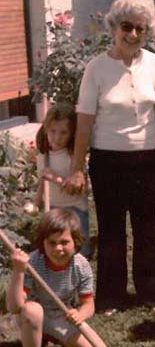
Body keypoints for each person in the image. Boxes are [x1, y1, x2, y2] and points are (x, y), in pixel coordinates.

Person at [63, 0, 155, 314]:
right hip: (107, 160)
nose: (134, 35)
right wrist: (76, 168)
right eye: (127, 27)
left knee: (145, 228)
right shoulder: (96, 68)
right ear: (114, 27)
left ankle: (151, 294)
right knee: (111, 229)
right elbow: (84, 123)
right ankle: (111, 297)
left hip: (147, 158)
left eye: (141, 29)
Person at [6, 208, 109, 347]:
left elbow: (89, 305)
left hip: (61, 316)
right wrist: (18, 271)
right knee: (33, 311)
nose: (58, 249)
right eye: (51, 243)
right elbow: (14, 307)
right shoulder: (33, 262)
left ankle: (49, 336)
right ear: (43, 243)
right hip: (31, 315)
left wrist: (80, 315)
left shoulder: (81, 265)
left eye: (64, 242)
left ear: (76, 241)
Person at [35, 103, 91, 258]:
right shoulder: (44, 155)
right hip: (53, 208)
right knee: (56, 251)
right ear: (45, 129)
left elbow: (78, 188)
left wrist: (55, 178)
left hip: (75, 209)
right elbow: (43, 180)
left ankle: (79, 278)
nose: (57, 137)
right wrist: (36, 202)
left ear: (72, 134)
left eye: (63, 133)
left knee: (79, 252)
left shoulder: (73, 156)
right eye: (52, 131)